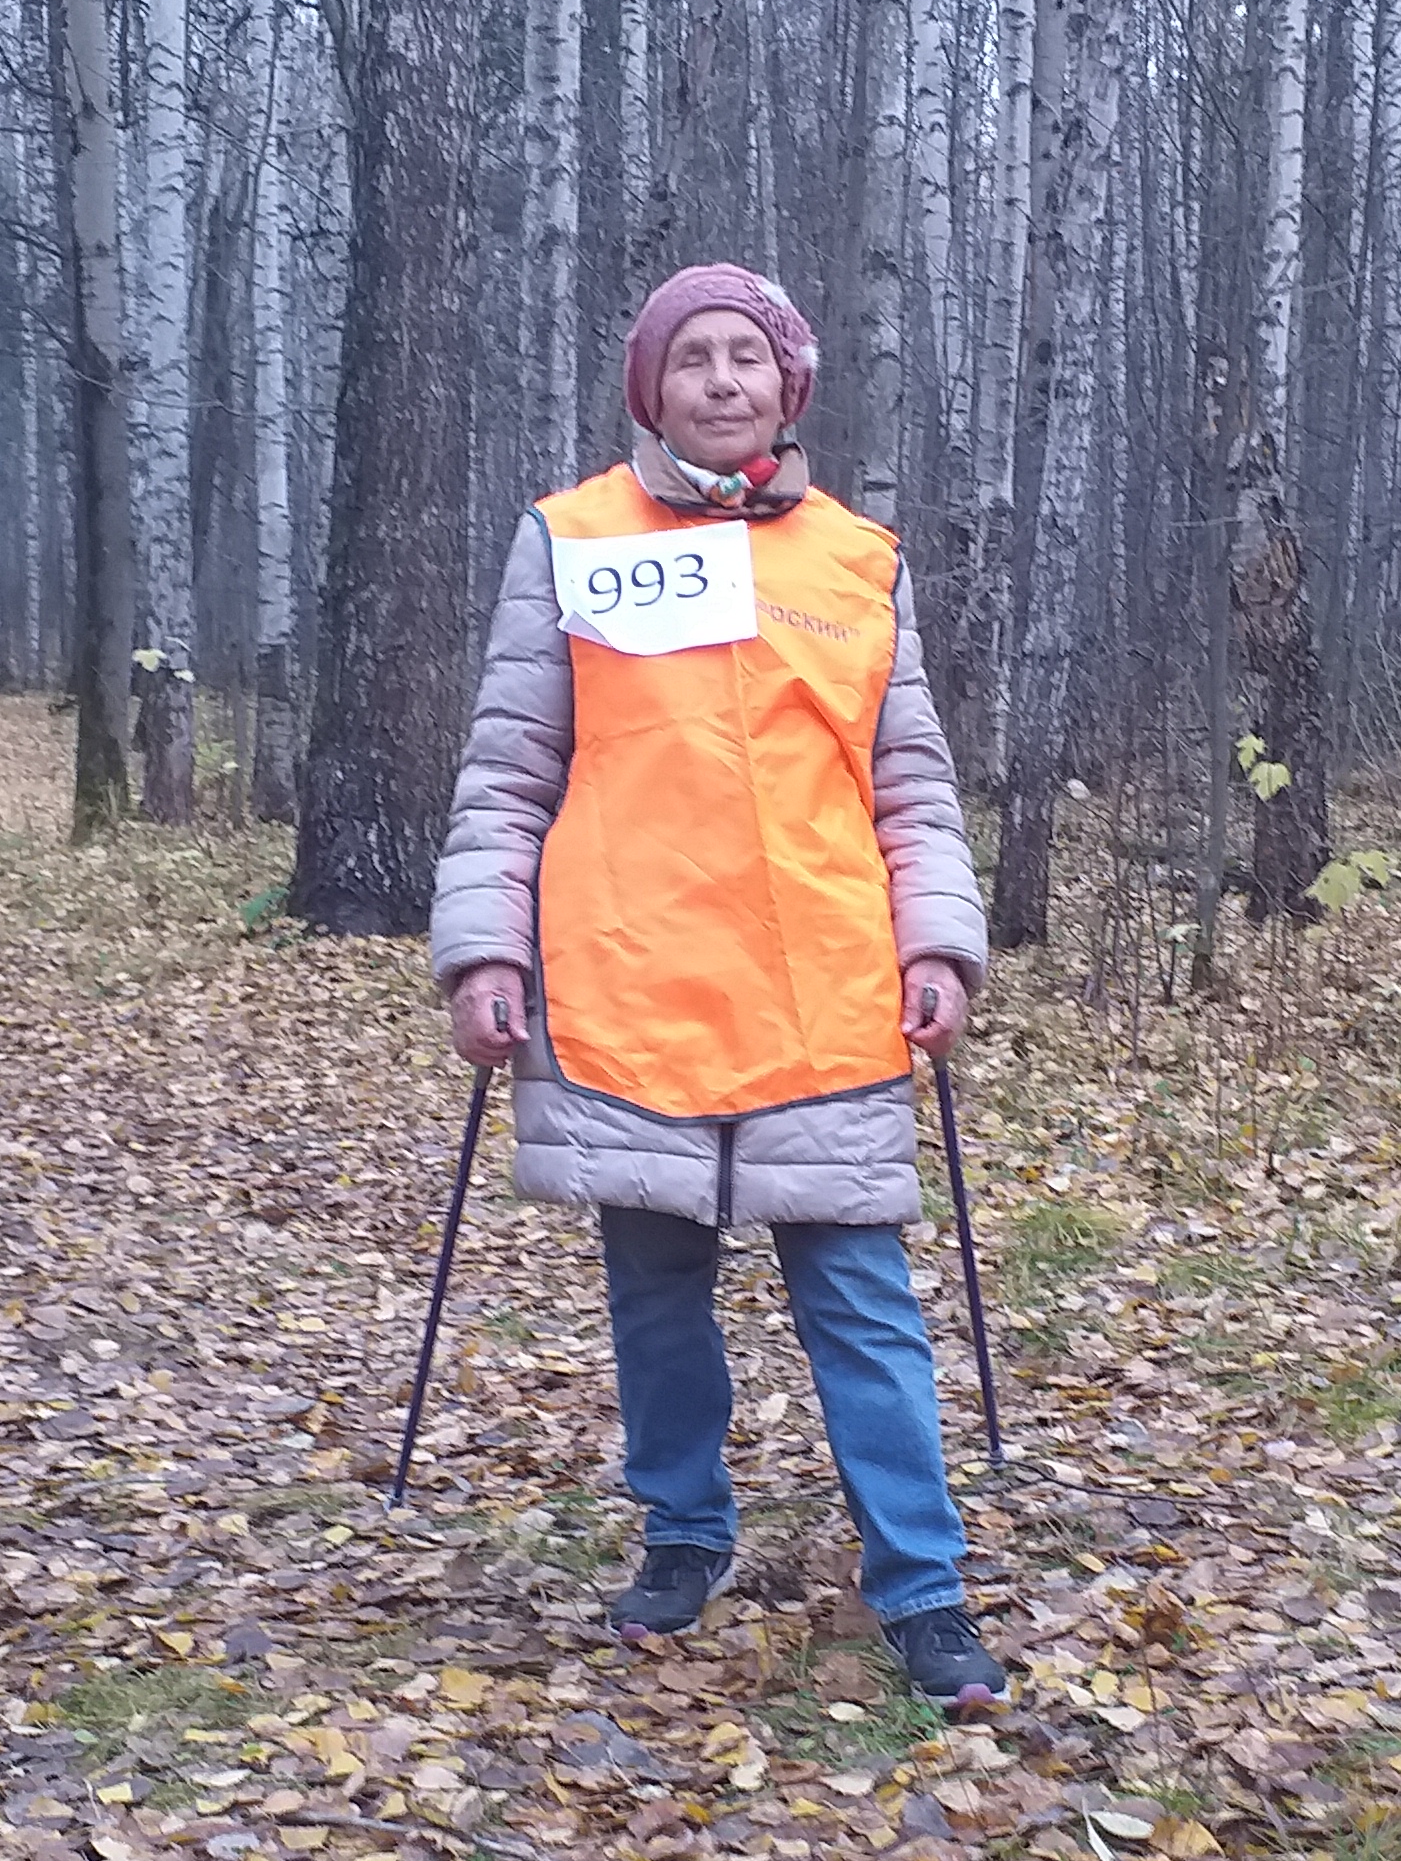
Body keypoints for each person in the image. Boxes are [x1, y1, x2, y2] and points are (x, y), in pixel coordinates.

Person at [429, 264, 1010, 1711]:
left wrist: (937, 944)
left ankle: (923, 1587)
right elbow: (509, 772)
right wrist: (485, 951)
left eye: (746, 355)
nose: (722, 379)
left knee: (863, 1301)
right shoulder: (572, 538)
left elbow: (910, 780)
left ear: (788, 385)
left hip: (828, 988)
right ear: (653, 387)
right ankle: (683, 1533)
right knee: (655, 1296)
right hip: (632, 982)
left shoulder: (859, 560)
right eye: (692, 356)